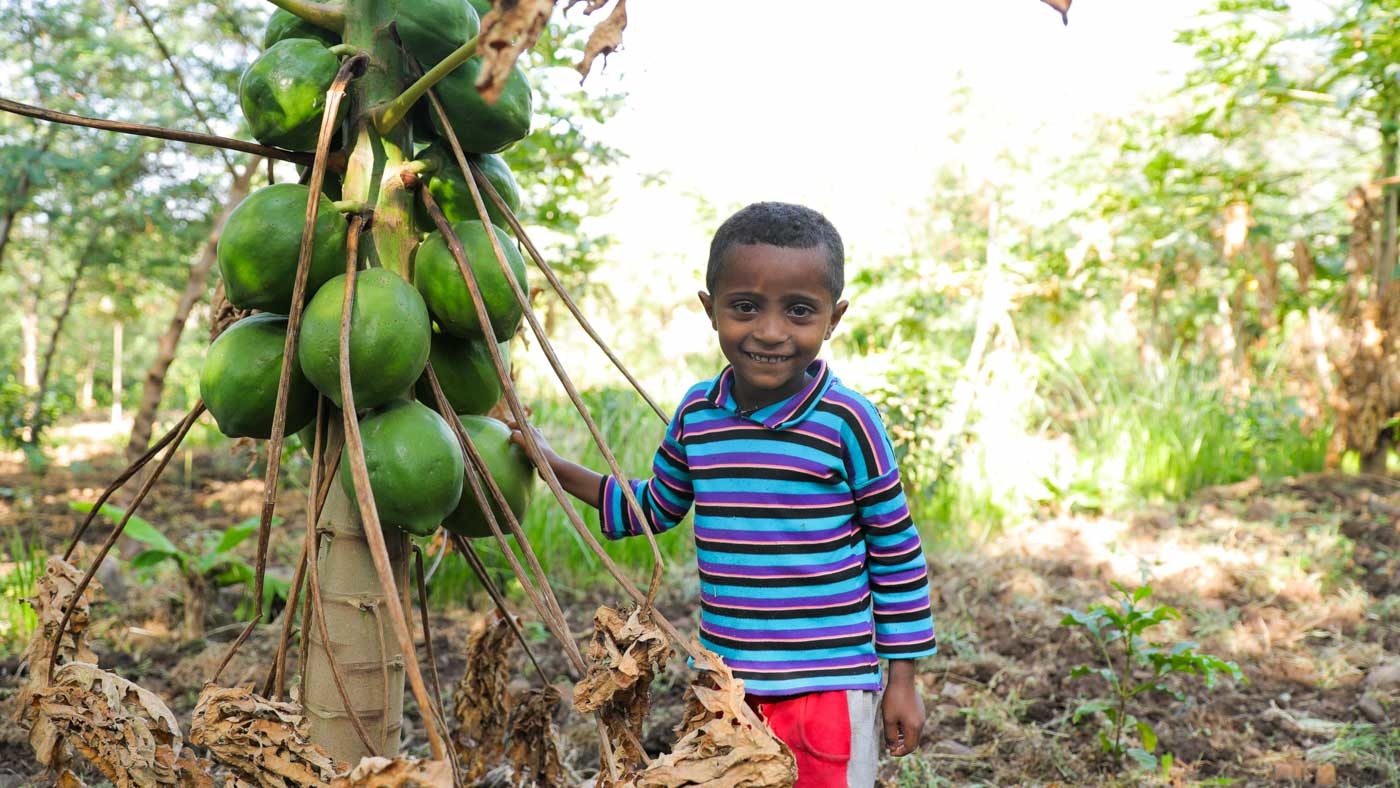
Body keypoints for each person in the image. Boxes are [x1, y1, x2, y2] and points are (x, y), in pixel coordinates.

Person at [511, 202, 937, 787]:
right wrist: (552, 465)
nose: (769, 331)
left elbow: (897, 554)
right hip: (724, 689)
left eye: (799, 311)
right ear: (710, 309)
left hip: (827, 690)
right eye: (745, 307)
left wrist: (903, 680)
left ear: (833, 319)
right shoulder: (698, 414)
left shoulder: (847, 421)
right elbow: (653, 507)